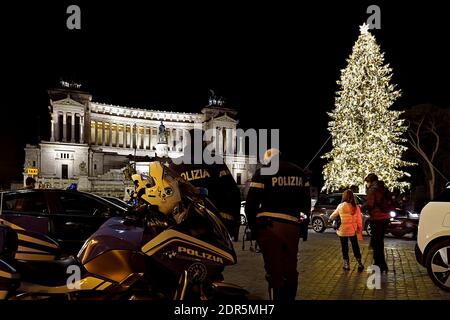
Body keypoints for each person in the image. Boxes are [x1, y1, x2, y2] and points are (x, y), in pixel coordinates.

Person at [245, 148, 311, 301]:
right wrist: (302, 228)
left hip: (269, 227)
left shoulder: (263, 173)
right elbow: (306, 205)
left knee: (274, 271)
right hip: (292, 226)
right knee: (290, 270)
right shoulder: (299, 172)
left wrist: (254, 229)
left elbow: (251, 205)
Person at [169, 129, 241, 241]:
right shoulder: (216, 161)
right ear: (204, 143)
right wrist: (234, 221)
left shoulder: (174, 166)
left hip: (185, 224)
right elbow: (233, 192)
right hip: (214, 221)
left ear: (186, 143)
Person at [329, 190, 364, 271]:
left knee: (344, 247)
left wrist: (330, 219)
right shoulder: (356, 207)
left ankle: (346, 265)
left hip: (343, 230)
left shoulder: (341, 206)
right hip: (353, 230)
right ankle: (359, 263)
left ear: (344, 196)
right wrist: (359, 228)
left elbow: (333, 215)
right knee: (355, 246)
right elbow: (359, 219)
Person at [361, 173, 390, 273]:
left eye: (367, 182)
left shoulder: (373, 189)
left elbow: (370, 204)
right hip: (385, 218)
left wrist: (361, 207)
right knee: (379, 242)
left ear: (370, 181)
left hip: (377, 218)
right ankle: (382, 264)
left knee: (377, 243)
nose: (367, 184)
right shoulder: (382, 187)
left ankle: (378, 264)